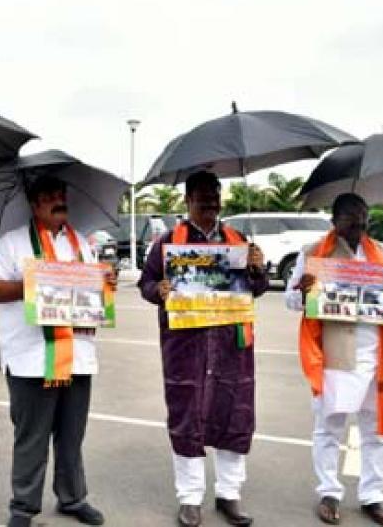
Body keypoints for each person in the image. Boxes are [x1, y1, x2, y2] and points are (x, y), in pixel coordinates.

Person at [137, 170, 268, 527]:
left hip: (230, 347)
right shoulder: (168, 243)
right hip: (187, 347)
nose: (209, 203)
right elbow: (145, 283)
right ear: (187, 201)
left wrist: (258, 268)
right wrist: (158, 291)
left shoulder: (238, 240)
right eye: (202, 197)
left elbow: (256, 288)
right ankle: (190, 498)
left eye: (214, 196)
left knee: (234, 413)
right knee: (187, 415)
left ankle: (229, 495)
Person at [286, 193, 383, 527]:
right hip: (337, 354)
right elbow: (290, 300)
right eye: (351, 219)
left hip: (381, 353)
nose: (359, 225)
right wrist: (302, 291)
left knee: (376, 432)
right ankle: (329, 492)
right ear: (335, 221)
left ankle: (372, 497)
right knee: (329, 427)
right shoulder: (315, 254)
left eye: (363, 218)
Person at [0, 175, 112, 526]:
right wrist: (34, 282)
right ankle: (23, 508)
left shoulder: (81, 245)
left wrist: (106, 284)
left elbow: (92, 293)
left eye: (61, 194)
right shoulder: (12, 244)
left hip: (79, 355)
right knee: (32, 438)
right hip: (30, 359)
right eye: (48, 196)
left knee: (72, 437)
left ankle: (73, 498)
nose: (58, 200)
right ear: (33, 203)